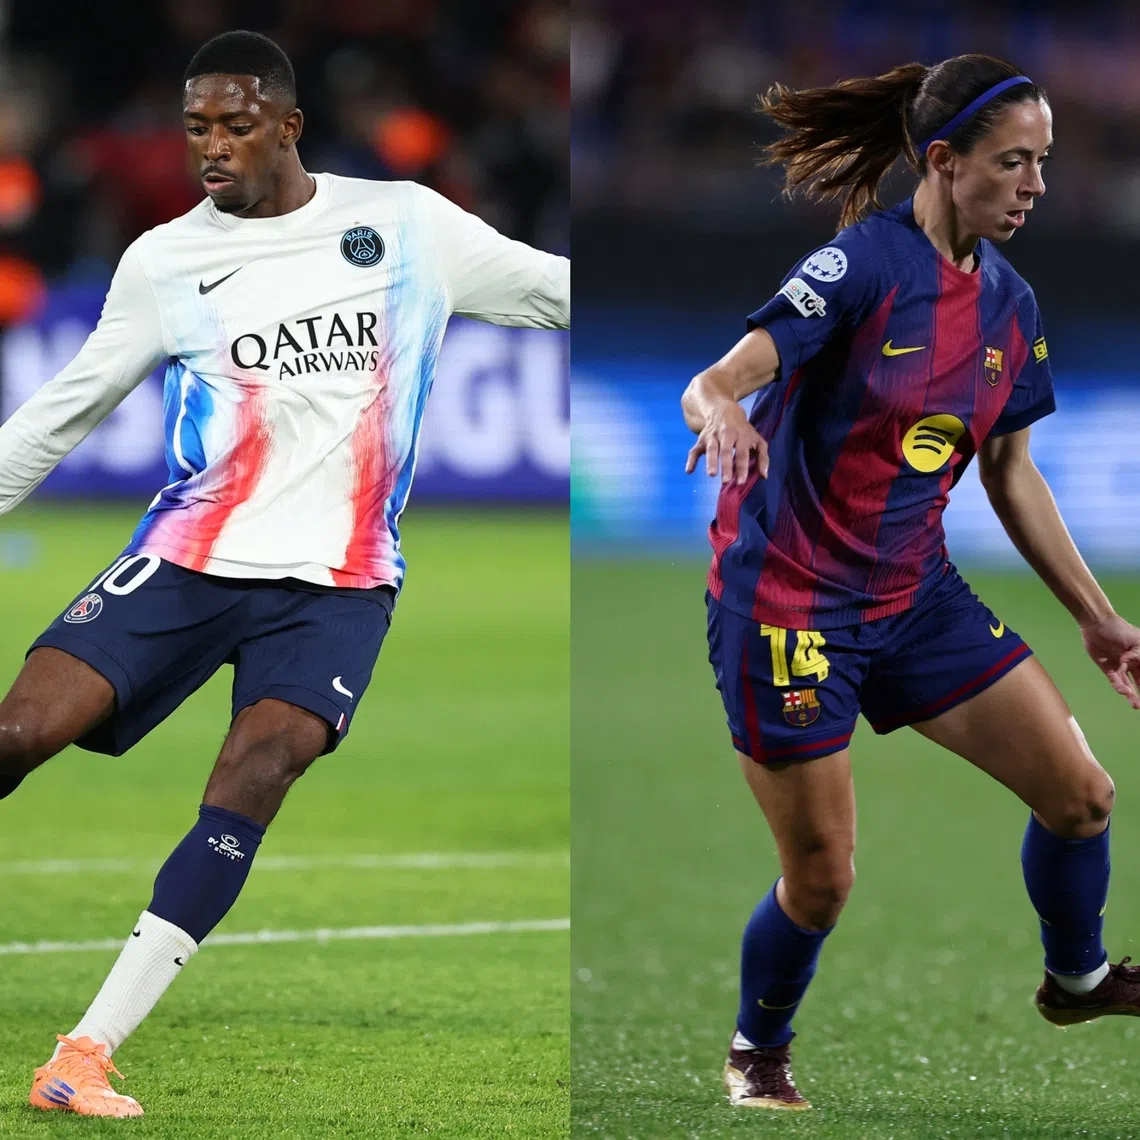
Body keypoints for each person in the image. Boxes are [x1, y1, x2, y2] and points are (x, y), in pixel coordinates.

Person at [0, 30, 569, 1119]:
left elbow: (552, 292)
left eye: (237, 123)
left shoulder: (405, 225)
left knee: (257, 773)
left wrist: (755, 351)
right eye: (197, 127)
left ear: (291, 126)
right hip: (187, 558)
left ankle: (84, 1053)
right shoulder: (166, 260)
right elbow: (58, 414)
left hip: (340, 585)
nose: (212, 146)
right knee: (19, 735)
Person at [681, 53, 1140, 1112]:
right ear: (943, 160)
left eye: (1045, 164)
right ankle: (758, 1049)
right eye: (1013, 163)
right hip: (788, 605)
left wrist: (1099, 617)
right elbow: (715, 380)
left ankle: (1077, 981)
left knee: (1082, 797)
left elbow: (1011, 472)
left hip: (915, 596)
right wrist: (731, 414)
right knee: (824, 877)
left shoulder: (1012, 305)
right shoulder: (860, 269)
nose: (1034, 185)